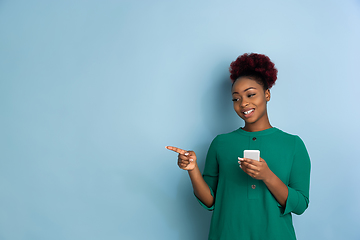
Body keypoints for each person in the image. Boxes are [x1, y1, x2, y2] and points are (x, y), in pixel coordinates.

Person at [166, 53, 311, 240]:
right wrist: (192, 169)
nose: (243, 104)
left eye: (250, 94)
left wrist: (267, 176)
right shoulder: (221, 143)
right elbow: (210, 200)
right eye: (236, 99)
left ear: (267, 94)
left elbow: (300, 206)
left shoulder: (293, 145)